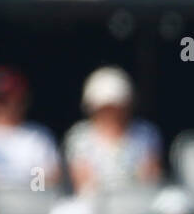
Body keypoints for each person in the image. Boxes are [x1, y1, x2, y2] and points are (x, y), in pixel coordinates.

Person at [63, 66, 162, 195]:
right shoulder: (78, 137)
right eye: (106, 108)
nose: (113, 114)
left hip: (138, 202)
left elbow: (151, 178)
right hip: (94, 205)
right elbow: (82, 184)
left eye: (118, 107)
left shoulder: (147, 133)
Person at [0, 66, 62, 190]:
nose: (0, 105)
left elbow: (48, 180)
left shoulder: (38, 136)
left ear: (23, 99)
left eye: (6, 99)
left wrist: (21, 186)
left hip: (30, 203)